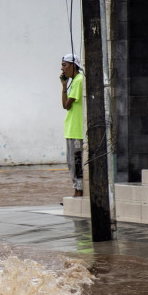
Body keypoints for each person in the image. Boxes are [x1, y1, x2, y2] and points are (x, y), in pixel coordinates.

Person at [61, 53, 85, 197]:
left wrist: (64, 87)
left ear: (73, 65)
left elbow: (66, 105)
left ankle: (79, 190)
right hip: (71, 130)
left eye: (64, 65)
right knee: (71, 162)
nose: (62, 69)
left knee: (76, 162)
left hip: (77, 131)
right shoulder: (75, 81)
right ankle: (76, 189)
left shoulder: (79, 80)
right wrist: (64, 86)